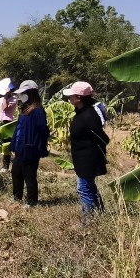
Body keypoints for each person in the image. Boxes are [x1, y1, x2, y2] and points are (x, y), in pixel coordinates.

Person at [63, 81, 108, 222]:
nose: (69, 98)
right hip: (83, 159)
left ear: (78, 97)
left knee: (83, 188)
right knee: (89, 186)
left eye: (71, 96)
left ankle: (87, 221)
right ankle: (100, 212)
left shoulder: (88, 116)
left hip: (88, 160)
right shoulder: (82, 113)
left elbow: (102, 138)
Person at [10, 80, 48, 206]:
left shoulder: (37, 111)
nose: (21, 96)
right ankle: (17, 197)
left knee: (29, 175)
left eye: (24, 93)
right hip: (20, 147)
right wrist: (13, 145)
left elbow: (43, 130)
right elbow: (18, 129)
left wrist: (39, 146)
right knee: (16, 172)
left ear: (31, 93)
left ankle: (31, 202)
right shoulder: (24, 109)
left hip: (31, 148)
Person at [0, 78, 18, 171]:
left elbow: (5, 108)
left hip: (8, 122)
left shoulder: (14, 99)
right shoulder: (0, 99)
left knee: (6, 144)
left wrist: (6, 97)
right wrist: (4, 98)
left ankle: (6, 166)